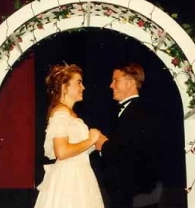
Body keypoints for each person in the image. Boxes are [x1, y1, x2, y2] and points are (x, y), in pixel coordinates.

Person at [34, 63, 104, 208]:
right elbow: (62, 151)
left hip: (81, 174)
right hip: (70, 179)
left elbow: (80, 149)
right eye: (79, 82)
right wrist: (90, 140)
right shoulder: (61, 113)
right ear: (64, 87)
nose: (83, 87)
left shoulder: (70, 114)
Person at [95, 62, 161, 208]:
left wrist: (104, 146)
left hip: (138, 197)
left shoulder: (141, 112)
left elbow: (131, 152)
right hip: (124, 195)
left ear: (131, 83)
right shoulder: (124, 111)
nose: (111, 85)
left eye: (115, 80)